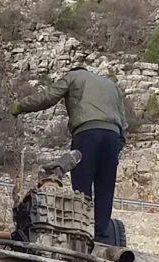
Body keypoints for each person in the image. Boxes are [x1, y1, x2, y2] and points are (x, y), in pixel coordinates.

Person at [10, 66, 128, 245]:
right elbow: (124, 122)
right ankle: (102, 238)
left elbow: (48, 97)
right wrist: (118, 145)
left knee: (82, 186)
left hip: (87, 133)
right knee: (106, 187)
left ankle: (83, 234)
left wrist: (20, 106)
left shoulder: (73, 76)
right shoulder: (112, 85)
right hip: (113, 135)